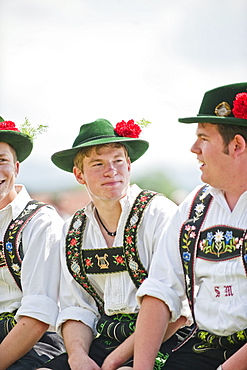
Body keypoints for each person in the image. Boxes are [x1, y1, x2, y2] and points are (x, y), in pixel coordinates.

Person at [38, 118, 185, 370]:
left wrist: (114, 361)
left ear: (129, 165)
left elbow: (177, 309)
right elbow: (77, 308)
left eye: (118, 160)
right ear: (79, 175)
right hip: (103, 341)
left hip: (164, 339)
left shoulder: (158, 213)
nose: (111, 170)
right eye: (98, 164)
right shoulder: (72, 229)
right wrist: (78, 358)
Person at [133, 82, 247, 370]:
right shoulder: (195, 204)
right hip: (204, 347)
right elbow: (160, 289)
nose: (194, 148)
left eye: (203, 138)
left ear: (236, 145)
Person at [0, 118, 65, 369]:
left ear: (16, 167)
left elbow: (37, 318)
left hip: (35, 343)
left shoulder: (41, 222)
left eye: (2, 160)